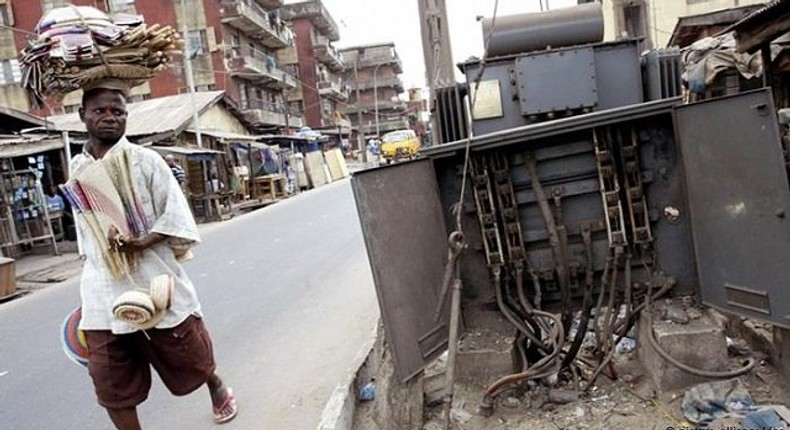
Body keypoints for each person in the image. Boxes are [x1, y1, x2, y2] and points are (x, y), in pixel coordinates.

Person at [72, 81, 238, 429]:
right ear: (82, 115)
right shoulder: (78, 168)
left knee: (188, 355)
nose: (109, 118)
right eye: (100, 110)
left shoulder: (147, 161)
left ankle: (216, 384)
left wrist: (141, 241)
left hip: (152, 277)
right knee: (110, 379)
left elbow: (177, 217)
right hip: (101, 289)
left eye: (118, 111)